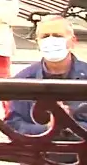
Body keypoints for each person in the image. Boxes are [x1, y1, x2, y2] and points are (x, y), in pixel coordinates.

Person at [5, 16, 87, 164]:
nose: (51, 40)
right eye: (45, 36)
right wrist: (46, 128)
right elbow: (13, 124)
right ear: (38, 43)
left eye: (57, 35)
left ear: (73, 41)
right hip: (39, 156)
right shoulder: (23, 79)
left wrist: (69, 125)